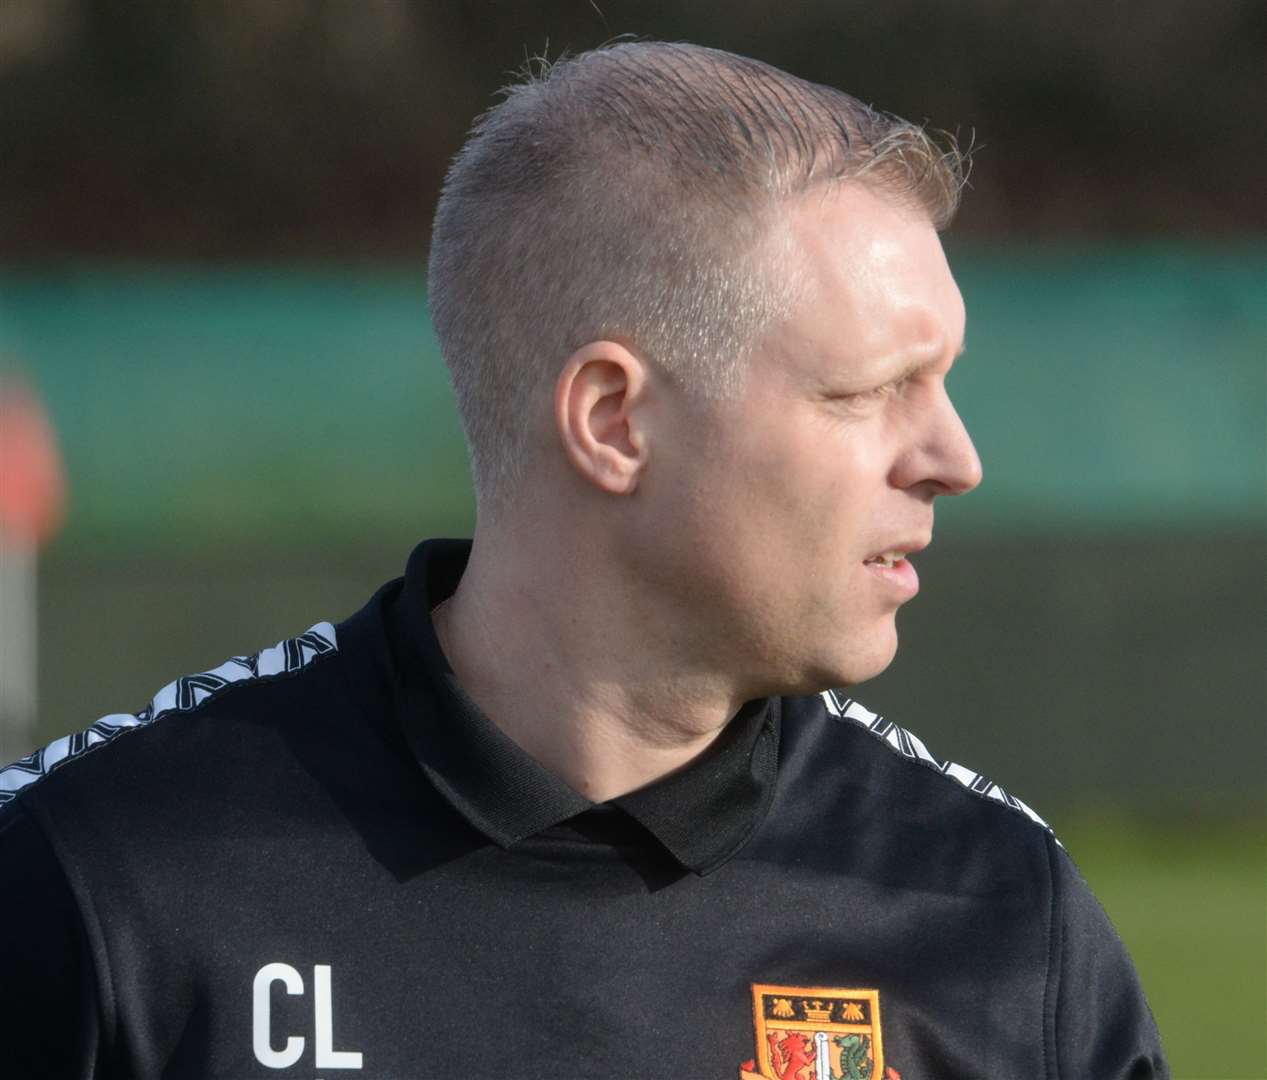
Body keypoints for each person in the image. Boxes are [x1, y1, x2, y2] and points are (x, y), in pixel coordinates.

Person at [0, 41, 1166, 1079]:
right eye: (866, 391)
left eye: (944, 381)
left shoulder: (995, 918)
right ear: (614, 422)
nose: (952, 458)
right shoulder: (97, 879)